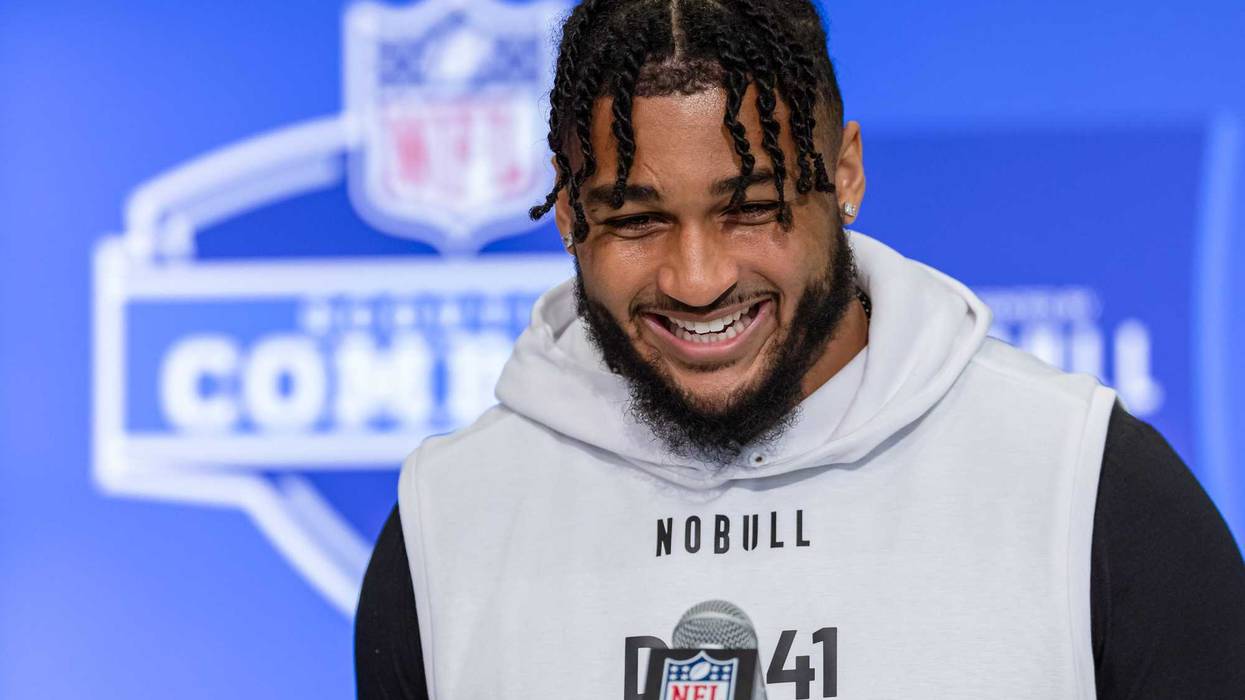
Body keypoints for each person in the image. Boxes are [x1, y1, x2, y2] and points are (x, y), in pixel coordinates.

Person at [355, 0, 1245, 697]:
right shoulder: (451, 524)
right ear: (568, 216)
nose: (696, 278)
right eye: (637, 219)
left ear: (845, 173)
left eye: (751, 207)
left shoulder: (1083, 484)